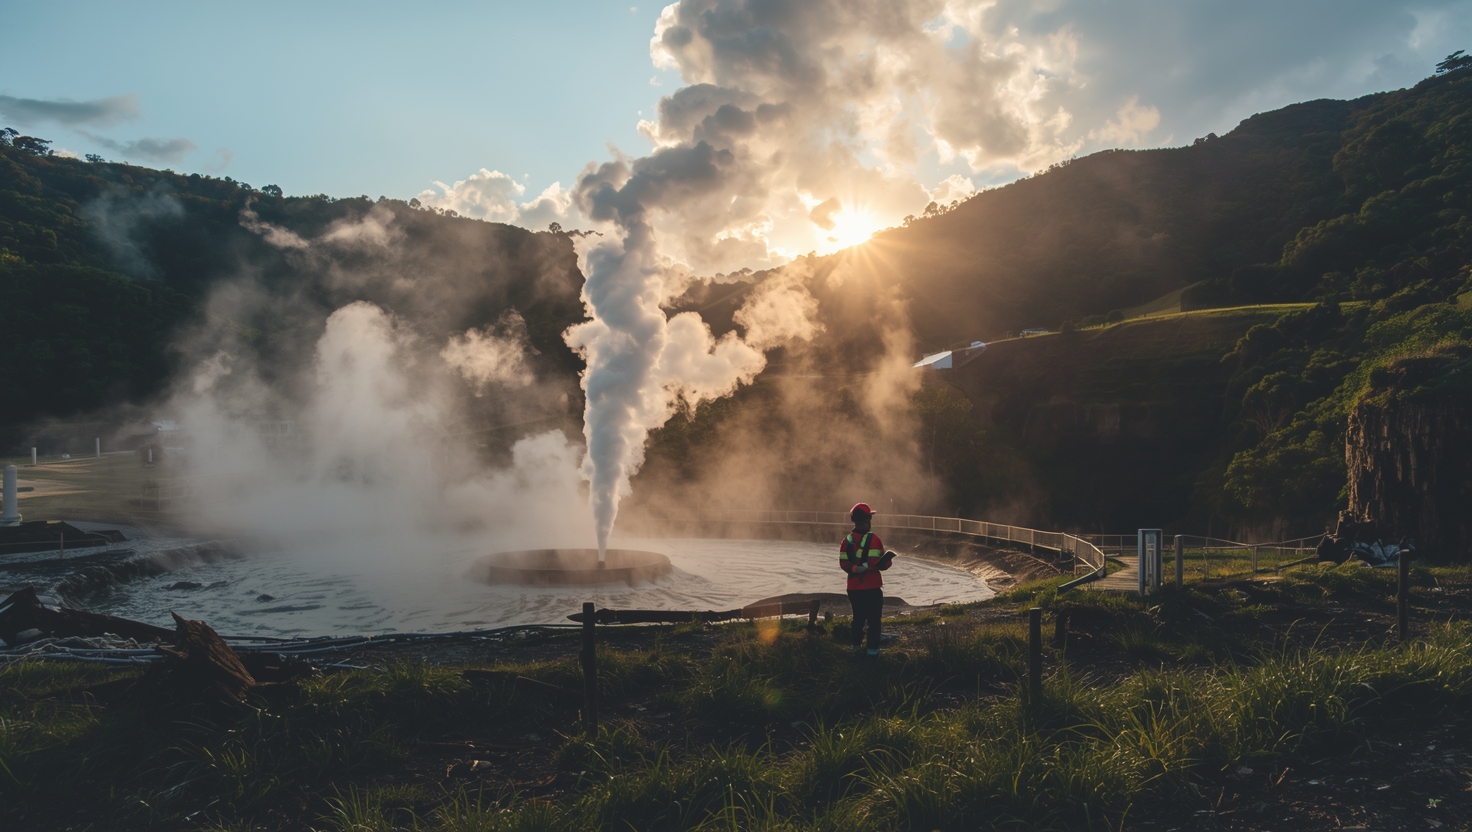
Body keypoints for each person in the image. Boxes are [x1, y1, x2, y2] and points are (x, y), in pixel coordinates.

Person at [839, 502, 893, 656]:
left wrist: (856, 569)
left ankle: (855, 647)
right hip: (872, 587)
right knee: (874, 621)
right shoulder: (874, 540)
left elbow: (843, 564)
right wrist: (888, 561)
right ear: (868, 519)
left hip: (853, 589)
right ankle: (872, 651)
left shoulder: (846, 541)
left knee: (858, 618)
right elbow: (879, 564)